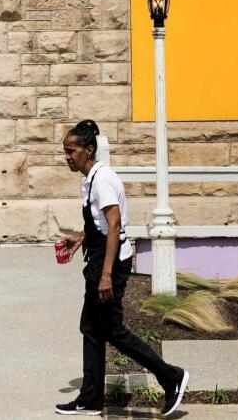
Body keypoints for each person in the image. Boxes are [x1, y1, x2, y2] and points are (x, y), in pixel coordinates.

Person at [55, 119, 189, 417]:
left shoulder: (102, 179)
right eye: (65, 151)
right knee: (91, 327)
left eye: (71, 151)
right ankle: (90, 399)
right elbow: (102, 225)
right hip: (104, 257)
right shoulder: (91, 178)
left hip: (111, 264)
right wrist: (81, 238)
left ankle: (171, 376)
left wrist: (105, 275)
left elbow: (115, 225)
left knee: (112, 330)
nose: (67, 156)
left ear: (88, 150)